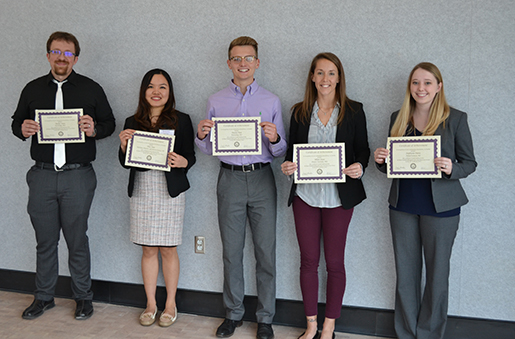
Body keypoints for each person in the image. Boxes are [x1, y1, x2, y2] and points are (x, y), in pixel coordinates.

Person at [11, 31, 115, 320]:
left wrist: (94, 129)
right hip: (42, 176)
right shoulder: (32, 89)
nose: (61, 57)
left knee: (76, 238)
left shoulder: (91, 88)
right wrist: (23, 129)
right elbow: (16, 122)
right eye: (56, 52)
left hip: (78, 177)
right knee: (45, 241)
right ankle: (44, 297)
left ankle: (83, 297)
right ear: (48, 56)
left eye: (67, 53)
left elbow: (109, 123)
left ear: (76, 58)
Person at [374, 62, 477, 339]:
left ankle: (429, 334)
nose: (421, 88)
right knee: (406, 277)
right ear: (410, 87)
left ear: (439, 87)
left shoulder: (455, 119)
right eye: (416, 82)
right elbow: (390, 166)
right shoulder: (399, 117)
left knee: (437, 277)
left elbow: (470, 163)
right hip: (403, 206)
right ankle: (407, 333)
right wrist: (381, 161)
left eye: (428, 82)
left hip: (441, 209)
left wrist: (451, 168)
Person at [195, 36, 286, 339]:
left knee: (266, 252)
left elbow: (280, 150)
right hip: (230, 178)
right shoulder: (215, 100)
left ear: (257, 63)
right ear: (229, 63)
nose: (243, 63)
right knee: (232, 252)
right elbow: (207, 150)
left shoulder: (271, 101)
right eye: (237, 58)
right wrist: (202, 134)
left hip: (262, 179)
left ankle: (265, 318)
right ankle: (233, 313)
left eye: (248, 58)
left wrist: (274, 138)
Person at [281, 53, 370, 339]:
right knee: (308, 261)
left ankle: (329, 327)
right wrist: (287, 166)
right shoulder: (299, 111)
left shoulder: (354, 111)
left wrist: (360, 167)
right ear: (312, 77)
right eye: (320, 73)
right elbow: (291, 152)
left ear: (339, 78)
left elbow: (363, 150)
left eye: (331, 73)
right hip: (306, 196)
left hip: (339, 198)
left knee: (334, 263)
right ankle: (310, 326)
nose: (325, 79)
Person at [119, 69, 195, 327]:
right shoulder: (132, 120)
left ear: (169, 92)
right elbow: (124, 162)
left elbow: (190, 157)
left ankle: (170, 303)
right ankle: (151, 304)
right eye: (151, 86)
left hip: (170, 190)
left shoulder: (182, 120)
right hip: (142, 188)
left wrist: (184, 162)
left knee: (168, 248)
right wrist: (122, 146)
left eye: (162, 87)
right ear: (143, 91)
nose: (156, 92)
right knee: (148, 248)